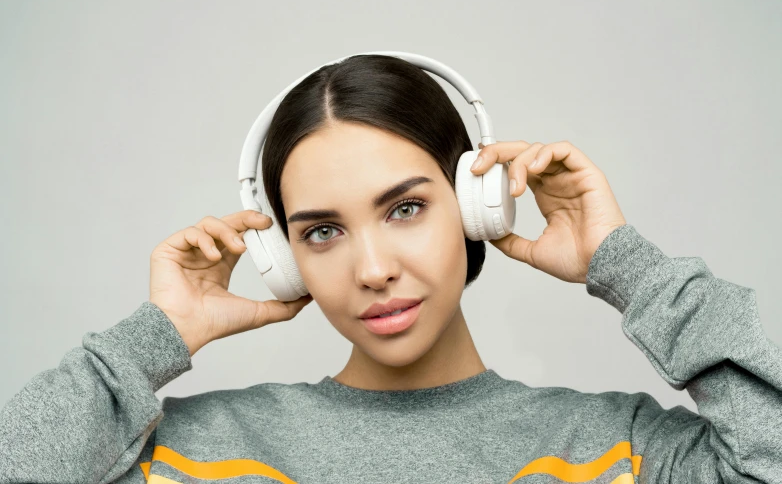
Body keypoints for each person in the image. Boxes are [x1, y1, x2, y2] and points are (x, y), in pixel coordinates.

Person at [0, 55, 779, 484]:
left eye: (405, 208)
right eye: (323, 231)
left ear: (478, 207)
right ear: (282, 260)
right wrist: (153, 338)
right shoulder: (188, 456)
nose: (371, 268)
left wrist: (627, 265)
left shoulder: (618, 453)